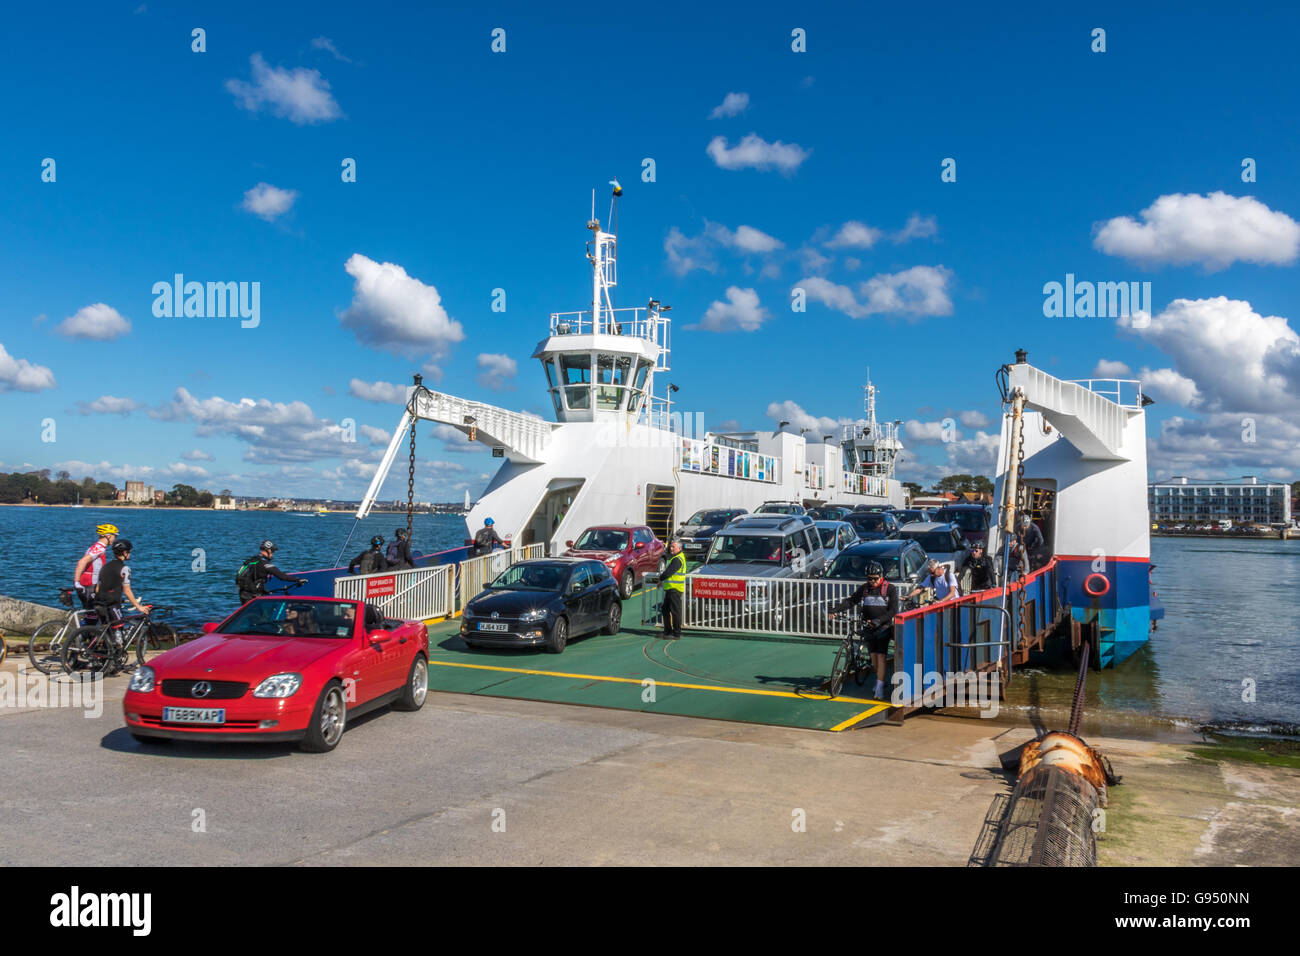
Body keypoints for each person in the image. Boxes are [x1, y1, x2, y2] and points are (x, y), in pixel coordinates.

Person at [830, 560, 899, 700]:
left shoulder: (890, 589)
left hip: (883, 628)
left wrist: (878, 621)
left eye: (875, 578)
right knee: (873, 659)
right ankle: (880, 680)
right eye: (869, 578)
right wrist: (836, 610)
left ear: (881, 576)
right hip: (868, 628)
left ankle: (879, 687)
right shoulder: (865, 588)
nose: (872, 581)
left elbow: (893, 610)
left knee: (881, 657)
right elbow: (851, 601)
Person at [93, 539, 149, 630]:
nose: (130, 554)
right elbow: (127, 591)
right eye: (129, 552)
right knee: (119, 630)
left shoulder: (105, 566)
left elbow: (97, 588)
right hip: (112, 605)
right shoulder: (124, 569)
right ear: (124, 552)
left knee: (108, 631)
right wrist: (138, 607)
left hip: (99, 604)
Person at [237, 540, 308, 603]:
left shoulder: (252, 560)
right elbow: (282, 576)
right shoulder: (265, 563)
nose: (273, 554)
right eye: (273, 551)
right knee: (265, 616)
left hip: (243, 594)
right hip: (253, 596)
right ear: (269, 550)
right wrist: (298, 579)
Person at [74, 523, 118, 611]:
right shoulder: (99, 548)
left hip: (89, 583)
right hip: (90, 584)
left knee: (90, 612)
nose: (115, 539)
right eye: (114, 536)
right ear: (108, 536)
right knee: (95, 613)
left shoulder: (95, 547)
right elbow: (82, 562)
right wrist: (76, 582)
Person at [661, 539, 686, 639]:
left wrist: (660, 578)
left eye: (673, 547)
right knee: (665, 609)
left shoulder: (677, 559)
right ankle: (667, 631)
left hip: (674, 589)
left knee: (675, 611)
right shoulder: (675, 558)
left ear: (679, 548)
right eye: (671, 546)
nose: (671, 548)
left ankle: (676, 634)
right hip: (671, 588)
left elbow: (668, 572)